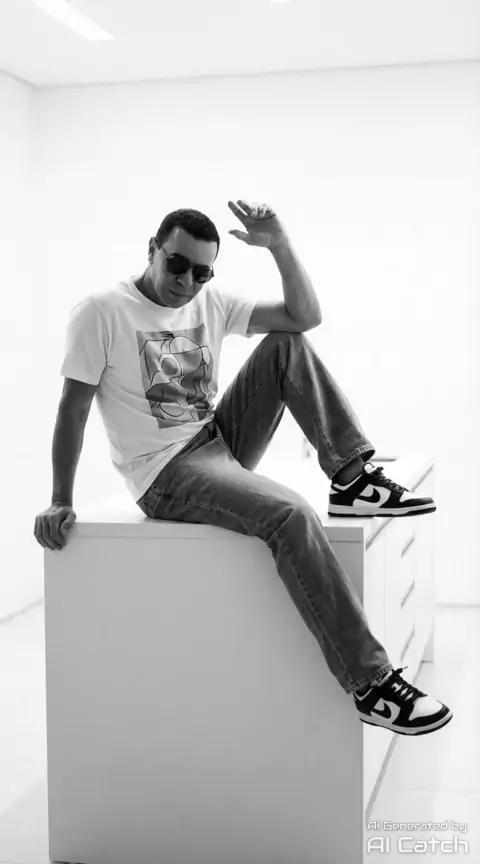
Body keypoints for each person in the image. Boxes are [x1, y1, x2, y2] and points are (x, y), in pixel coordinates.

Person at [34, 199, 453, 737]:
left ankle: (352, 477)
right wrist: (61, 499)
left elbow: (305, 317)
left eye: (202, 272)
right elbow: (72, 411)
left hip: (217, 439)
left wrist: (279, 245)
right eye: (177, 265)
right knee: (291, 515)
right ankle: (372, 685)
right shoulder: (101, 311)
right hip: (164, 472)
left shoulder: (209, 300)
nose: (187, 282)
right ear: (152, 250)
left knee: (286, 343)